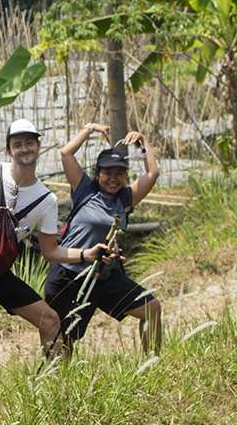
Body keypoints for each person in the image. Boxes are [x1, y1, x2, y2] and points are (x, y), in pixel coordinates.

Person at [0, 119, 109, 357]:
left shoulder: (46, 200)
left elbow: (50, 251)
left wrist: (86, 254)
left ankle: (58, 377)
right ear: (8, 151)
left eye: (29, 143)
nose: (24, 149)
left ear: (38, 146)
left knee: (50, 319)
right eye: (17, 145)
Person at [48, 123, 162, 354]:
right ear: (97, 173)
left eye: (119, 173)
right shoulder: (84, 189)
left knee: (152, 308)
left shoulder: (126, 198)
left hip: (105, 276)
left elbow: (153, 173)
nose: (113, 178)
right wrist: (91, 128)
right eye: (107, 173)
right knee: (65, 337)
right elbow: (66, 153)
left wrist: (142, 141)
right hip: (70, 275)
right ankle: (60, 376)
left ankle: (153, 364)